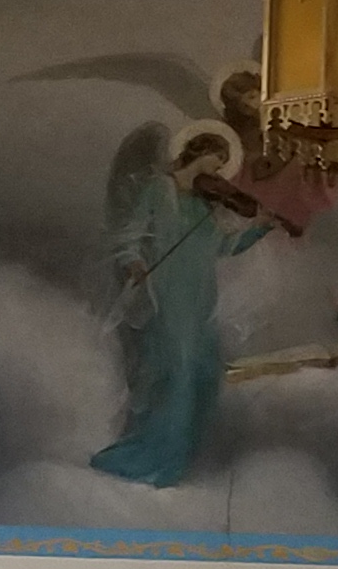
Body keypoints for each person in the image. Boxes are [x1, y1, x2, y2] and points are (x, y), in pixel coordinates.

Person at [92, 123, 271, 488]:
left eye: (223, 162)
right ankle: (154, 457)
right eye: (216, 158)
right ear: (198, 151)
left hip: (200, 298)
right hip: (168, 295)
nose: (219, 169)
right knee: (178, 376)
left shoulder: (206, 203)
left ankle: (178, 456)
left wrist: (260, 228)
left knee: (205, 376)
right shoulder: (160, 189)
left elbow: (224, 247)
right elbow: (131, 235)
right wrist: (134, 263)